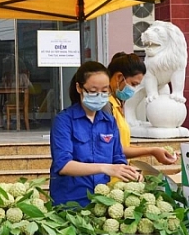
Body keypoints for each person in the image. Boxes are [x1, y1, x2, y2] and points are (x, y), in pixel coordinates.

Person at [50, 61, 141, 207]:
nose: (99, 95)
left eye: (104, 91)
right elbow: (63, 165)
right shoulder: (64, 121)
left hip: (101, 202)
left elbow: (118, 158)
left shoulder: (109, 122)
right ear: (79, 88)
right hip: (70, 202)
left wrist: (129, 173)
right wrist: (105, 167)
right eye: (93, 91)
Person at [107, 52, 178, 165]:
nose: (134, 90)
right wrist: (152, 151)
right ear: (119, 77)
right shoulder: (106, 107)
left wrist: (154, 151)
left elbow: (122, 146)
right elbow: (109, 149)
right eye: (133, 84)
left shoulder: (116, 104)